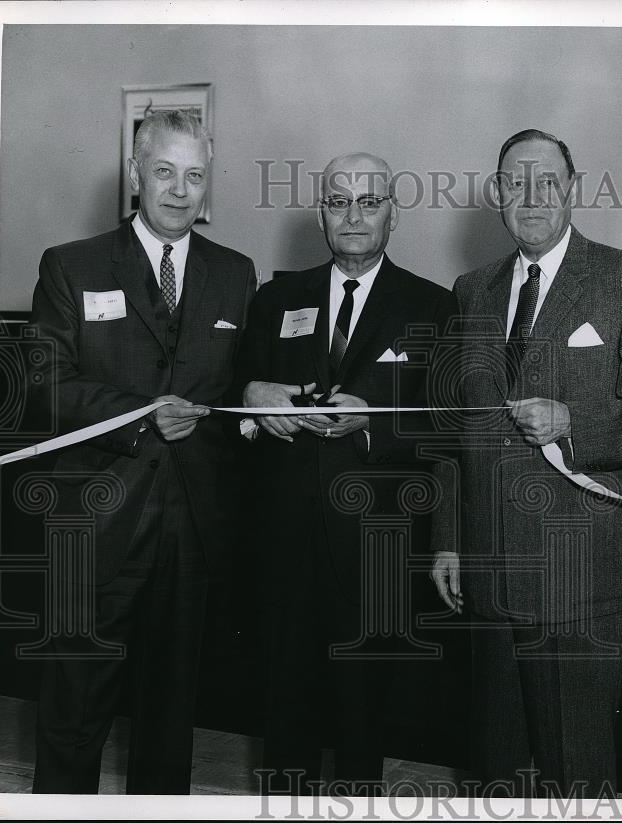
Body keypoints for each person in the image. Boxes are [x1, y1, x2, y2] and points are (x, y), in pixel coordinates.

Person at [430, 129, 622, 798]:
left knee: (577, 772)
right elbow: (458, 430)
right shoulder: (471, 289)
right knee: (498, 772)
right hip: (489, 572)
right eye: (517, 183)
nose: (533, 197)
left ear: (572, 190)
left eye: (548, 182)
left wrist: (575, 422)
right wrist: (449, 542)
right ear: (497, 195)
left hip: (581, 576)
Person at [29, 110, 257, 793]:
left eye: (194, 174)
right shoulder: (72, 265)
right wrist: (140, 416)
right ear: (134, 172)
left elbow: (231, 390)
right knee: (74, 714)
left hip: (191, 533)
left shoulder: (235, 273)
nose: (180, 190)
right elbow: (44, 385)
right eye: (164, 171)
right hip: (95, 526)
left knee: (169, 719)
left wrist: (255, 406)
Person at [235, 153, 456, 796]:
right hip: (283, 543)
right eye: (339, 201)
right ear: (322, 213)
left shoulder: (434, 307)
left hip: (376, 548)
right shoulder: (276, 298)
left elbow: (448, 427)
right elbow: (234, 398)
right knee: (284, 719)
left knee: (364, 724)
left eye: (369, 202)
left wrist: (374, 423)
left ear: (394, 212)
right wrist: (254, 402)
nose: (353, 216)